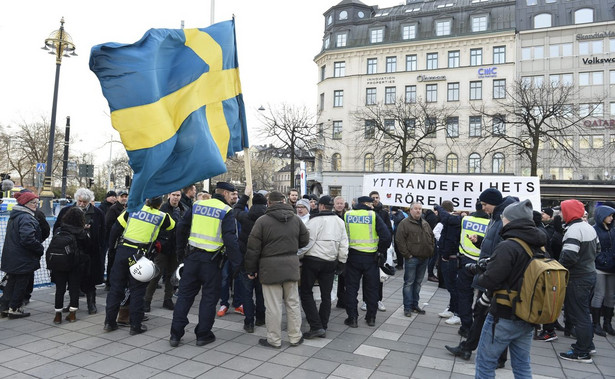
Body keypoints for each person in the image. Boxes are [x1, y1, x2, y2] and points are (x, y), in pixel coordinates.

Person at [474, 199, 545, 378]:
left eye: (504, 217)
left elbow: (491, 280)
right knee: (522, 365)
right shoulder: (539, 245)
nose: (502, 220)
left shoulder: (508, 245)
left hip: (503, 314)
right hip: (527, 314)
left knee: (485, 363)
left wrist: (480, 275)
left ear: (512, 220)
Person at [170, 182, 241, 347]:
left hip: (192, 258)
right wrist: (237, 264)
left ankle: (175, 334)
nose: (233, 198)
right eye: (231, 194)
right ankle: (203, 335)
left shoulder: (197, 205)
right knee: (209, 299)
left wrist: (180, 252)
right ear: (224, 193)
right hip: (212, 262)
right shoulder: (226, 211)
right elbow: (230, 239)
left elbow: (181, 227)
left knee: (184, 297)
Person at [245, 191, 309, 348]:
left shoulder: (262, 221)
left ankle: (274, 339)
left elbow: (253, 249)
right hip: (291, 266)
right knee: (293, 303)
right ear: (284, 201)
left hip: (269, 269)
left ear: (269, 203)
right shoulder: (295, 219)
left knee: (273, 306)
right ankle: (295, 337)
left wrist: (251, 269)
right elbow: (305, 239)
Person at [105, 196, 175, 335]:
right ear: (160, 204)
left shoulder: (132, 210)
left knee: (116, 288)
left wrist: (112, 251)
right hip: (139, 255)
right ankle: (135, 326)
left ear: (146, 201)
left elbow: (115, 229)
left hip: (123, 251)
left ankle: (109, 322)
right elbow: (172, 226)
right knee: (137, 290)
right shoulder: (162, 216)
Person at [299, 195, 348, 339]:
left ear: (320, 206)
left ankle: (316, 325)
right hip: (330, 261)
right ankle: (323, 325)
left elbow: (307, 242)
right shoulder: (339, 222)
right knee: (326, 295)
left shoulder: (314, 221)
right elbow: (344, 243)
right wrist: (342, 261)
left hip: (313, 261)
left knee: (306, 292)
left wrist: (297, 256)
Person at [558, 199, 599, 363]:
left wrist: (558, 267)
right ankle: (588, 345)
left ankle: (582, 352)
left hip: (577, 278)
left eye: (562, 210)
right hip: (589, 274)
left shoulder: (573, 230)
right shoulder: (588, 227)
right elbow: (599, 249)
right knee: (583, 312)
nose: (560, 214)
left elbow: (568, 257)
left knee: (579, 314)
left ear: (568, 212)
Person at [55, 188, 106, 315]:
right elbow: (58, 228)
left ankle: (91, 304)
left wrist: (100, 247)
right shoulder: (66, 211)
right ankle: (73, 304)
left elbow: (103, 232)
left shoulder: (97, 213)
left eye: (85, 202)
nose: (82, 204)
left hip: (90, 251)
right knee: (72, 281)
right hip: (71, 251)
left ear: (90, 201)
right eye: (80, 201)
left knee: (90, 280)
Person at [343, 196, 391, 327]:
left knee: (351, 288)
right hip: (371, 257)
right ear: (365, 203)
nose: (373, 205)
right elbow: (386, 237)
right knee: (372, 289)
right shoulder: (373, 216)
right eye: (371, 203)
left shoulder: (347, 215)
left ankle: (352, 318)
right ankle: (371, 318)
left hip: (352, 256)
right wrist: (380, 251)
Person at [0, 192, 44, 319]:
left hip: (13, 256)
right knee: (20, 284)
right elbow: (27, 239)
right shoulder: (26, 217)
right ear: (25, 204)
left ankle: (4, 307)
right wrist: (39, 248)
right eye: (33, 203)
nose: (36, 205)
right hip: (23, 258)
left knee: (11, 282)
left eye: (37, 203)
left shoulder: (15, 216)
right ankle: (15, 308)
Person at [144, 190, 186, 312]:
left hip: (176, 248)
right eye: (173, 195)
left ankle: (168, 299)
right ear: (169, 196)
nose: (175, 198)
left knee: (172, 275)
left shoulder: (184, 210)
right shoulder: (161, 209)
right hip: (161, 247)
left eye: (178, 195)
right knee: (156, 274)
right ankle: (147, 300)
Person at [234, 185, 268, 333]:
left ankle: (249, 322)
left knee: (247, 293)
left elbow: (236, 210)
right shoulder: (268, 219)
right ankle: (261, 317)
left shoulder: (246, 217)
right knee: (261, 292)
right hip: (263, 263)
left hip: (246, 261)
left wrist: (245, 196)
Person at [51, 207, 90, 324]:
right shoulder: (81, 232)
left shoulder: (59, 230)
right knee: (74, 289)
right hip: (75, 264)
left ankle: (58, 315)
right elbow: (89, 247)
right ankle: (72, 314)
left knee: (60, 289)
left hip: (59, 263)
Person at [396, 202, 435, 317]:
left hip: (424, 258)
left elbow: (431, 237)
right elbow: (399, 240)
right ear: (411, 210)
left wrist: (431, 250)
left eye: (420, 209)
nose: (418, 211)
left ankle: (415, 305)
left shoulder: (425, 223)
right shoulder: (404, 224)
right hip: (412, 258)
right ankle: (407, 307)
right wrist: (407, 255)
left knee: (418, 283)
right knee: (409, 283)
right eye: (416, 209)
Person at [592, 205, 615, 336]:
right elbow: (594, 249)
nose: (611, 218)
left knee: (611, 296)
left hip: (612, 267)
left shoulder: (613, 230)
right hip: (600, 266)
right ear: (602, 216)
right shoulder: (594, 230)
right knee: (599, 294)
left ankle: (607, 323)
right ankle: (596, 324)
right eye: (610, 215)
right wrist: (601, 260)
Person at [104, 189, 128, 290]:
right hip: (115, 239)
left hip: (124, 239)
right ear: (118, 198)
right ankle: (109, 282)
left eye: (125, 196)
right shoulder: (113, 209)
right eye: (122, 196)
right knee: (112, 261)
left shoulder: (127, 208)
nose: (124, 198)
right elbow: (108, 224)